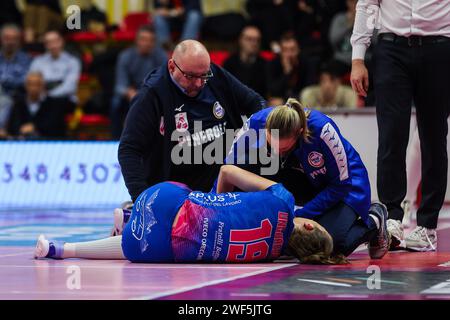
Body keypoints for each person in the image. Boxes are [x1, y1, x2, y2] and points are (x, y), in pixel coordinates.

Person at [34, 165, 346, 265]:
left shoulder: (285, 200)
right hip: (154, 250)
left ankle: (129, 218)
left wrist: (215, 201)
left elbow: (227, 170)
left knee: (188, 195)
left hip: (161, 198)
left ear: (307, 224)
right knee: (146, 246)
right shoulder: (270, 257)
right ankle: (60, 250)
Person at [226, 98, 390, 259]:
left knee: (327, 246)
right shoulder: (255, 123)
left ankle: (374, 219)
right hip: (305, 179)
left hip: (346, 187)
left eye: (283, 148)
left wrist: (301, 213)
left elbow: (341, 185)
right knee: (246, 168)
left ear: (299, 132)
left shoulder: (323, 130)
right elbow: (228, 168)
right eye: (271, 145)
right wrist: (217, 206)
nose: (276, 152)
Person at [350, 1, 450, 251]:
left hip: (440, 47)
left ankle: (427, 225)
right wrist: (357, 58)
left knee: (434, 137)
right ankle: (392, 218)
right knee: (391, 136)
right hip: (391, 49)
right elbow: (367, 4)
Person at [118, 39, 266, 205]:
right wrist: (142, 200)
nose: (198, 83)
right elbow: (128, 150)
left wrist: (254, 136)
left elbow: (255, 102)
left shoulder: (214, 75)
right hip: (177, 194)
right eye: (190, 76)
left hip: (222, 187)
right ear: (172, 66)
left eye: (203, 75)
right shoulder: (151, 95)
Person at [111, 25, 167, 139]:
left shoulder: (161, 56)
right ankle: (116, 139)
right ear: (137, 41)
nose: (147, 43)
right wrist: (129, 92)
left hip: (153, 94)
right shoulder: (125, 56)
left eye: (150, 40)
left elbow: (165, 81)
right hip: (130, 95)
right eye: (143, 39)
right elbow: (119, 85)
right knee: (115, 103)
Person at [6, 71, 71, 139]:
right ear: (25, 85)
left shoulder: (54, 104)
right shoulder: (18, 104)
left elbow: (55, 127)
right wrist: (21, 131)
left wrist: (35, 128)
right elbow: (13, 126)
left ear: (43, 85)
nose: (33, 88)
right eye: (30, 84)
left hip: (48, 144)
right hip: (23, 144)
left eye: (37, 84)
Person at [28, 30, 81, 105]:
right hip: (41, 99)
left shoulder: (72, 62)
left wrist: (49, 96)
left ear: (61, 42)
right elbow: (32, 82)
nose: (53, 45)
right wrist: (43, 96)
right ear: (45, 45)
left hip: (64, 99)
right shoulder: (37, 62)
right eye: (49, 43)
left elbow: (70, 86)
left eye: (55, 41)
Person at [267, 32, 316, 106]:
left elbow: (308, 90)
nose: (289, 54)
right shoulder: (273, 64)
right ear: (280, 51)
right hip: (280, 104)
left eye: (292, 50)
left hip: (300, 102)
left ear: (298, 50)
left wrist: (287, 101)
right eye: (285, 50)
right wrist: (287, 73)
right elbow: (272, 90)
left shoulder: (306, 63)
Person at [223, 25, 269, 98]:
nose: (254, 43)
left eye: (257, 40)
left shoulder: (264, 64)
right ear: (240, 40)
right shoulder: (230, 63)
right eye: (249, 39)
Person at [0, 24, 32, 98]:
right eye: (7, 38)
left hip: (17, 99)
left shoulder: (26, 59)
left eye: (14, 38)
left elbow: (26, 81)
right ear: (1, 39)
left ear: (19, 40)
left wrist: (4, 81)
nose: (10, 42)